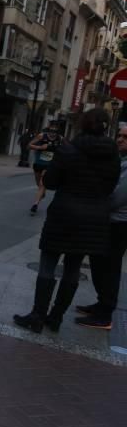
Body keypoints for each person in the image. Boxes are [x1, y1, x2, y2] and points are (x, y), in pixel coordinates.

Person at [14, 108, 120, 334]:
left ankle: (37, 316)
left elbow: (50, 182)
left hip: (64, 214)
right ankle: (56, 318)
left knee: (48, 265)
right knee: (72, 269)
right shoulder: (113, 155)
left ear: (83, 124)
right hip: (93, 219)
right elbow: (111, 187)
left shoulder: (68, 149)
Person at [79, 125, 127, 330]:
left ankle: (105, 314)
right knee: (99, 263)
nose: (120, 139)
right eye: (119, 135)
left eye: (126, 137)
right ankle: (101, 304)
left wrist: (96, 204)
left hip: (119, 223)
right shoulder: (122, 160)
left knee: (109, 267)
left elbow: (118, 196)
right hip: (111, 220)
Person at [28, 123, 63, 216]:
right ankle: (42, 194)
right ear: (48, 130)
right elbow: (29, 145)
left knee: (42, 184)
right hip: (38, 163)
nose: (53, 133)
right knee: (38, 183)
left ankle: (35, 205)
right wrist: (40, 147)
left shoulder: (60, 139)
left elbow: (65, 149)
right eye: (51, 131)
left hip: (50, 165)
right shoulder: (41, 136)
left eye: (55, 131)